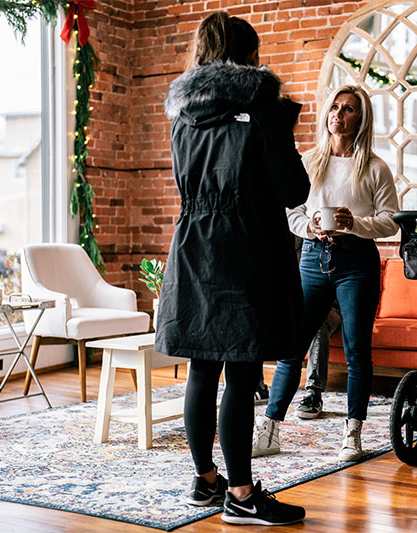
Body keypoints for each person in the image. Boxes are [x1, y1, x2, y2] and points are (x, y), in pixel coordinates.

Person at [154, 11, 309, 526]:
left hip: (193, 245)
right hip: (245, 247)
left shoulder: (181, 116)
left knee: (202, 367)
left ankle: (205, 481)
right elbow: (294, 191)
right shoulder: (262, 108)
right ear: (249, 55)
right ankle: (242, 496)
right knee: (242, 370)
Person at [253, 85, 399, 461]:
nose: (339, 114)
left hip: (356, 262)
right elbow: (291, 213)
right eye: (335, 107)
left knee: (356, 351)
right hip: (313, 257)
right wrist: (311, 229)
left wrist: (356, 223)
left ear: (360, 118)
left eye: (349, 109)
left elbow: (390, 222)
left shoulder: (375, 167)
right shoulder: (307, 162)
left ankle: (353, 435)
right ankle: (269, 430)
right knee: (291, 346)